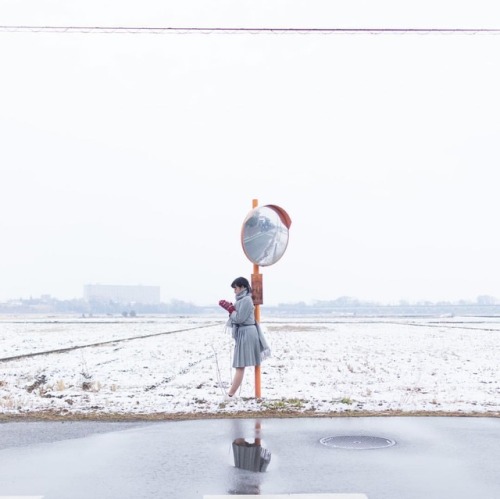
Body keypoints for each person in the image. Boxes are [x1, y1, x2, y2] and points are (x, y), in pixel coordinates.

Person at [219, 276, 270, 398]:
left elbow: (239, 318)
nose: (234, 291)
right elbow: (238, 316)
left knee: (239, 365)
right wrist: (232, 309)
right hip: (243, 333)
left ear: (242, 287)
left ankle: (230, 395)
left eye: (235, 288)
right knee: (239, 365)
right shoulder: (241, 300)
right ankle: (231, 394)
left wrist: (231, 310)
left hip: (247, 334)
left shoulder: (246, 300)